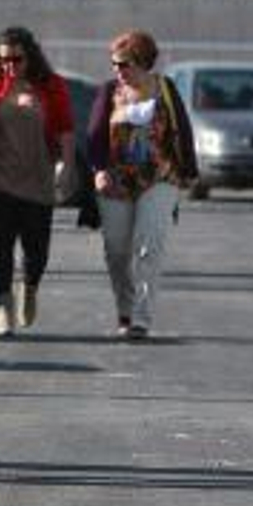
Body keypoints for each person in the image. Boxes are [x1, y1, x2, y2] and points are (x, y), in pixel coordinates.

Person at [87, 29, 198, 341]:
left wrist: (188, 171)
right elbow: (94, 136)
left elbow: (182, 130)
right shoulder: (109, 91)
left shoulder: (165, 89)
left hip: (159, 177)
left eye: (125, 65)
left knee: (149, 245)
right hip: (117, 179)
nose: (118, 71)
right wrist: (97, 170)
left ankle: (141, 317)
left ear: (143, 64)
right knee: (117, 250)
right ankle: (124, 308)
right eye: (114, 64)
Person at [0, 27, 76, 337]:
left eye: (16, 59)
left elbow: (66, 129)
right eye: (3, 60)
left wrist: (67, 167)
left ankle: (29, 288)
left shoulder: (50, 86)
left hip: (39, 177)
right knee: (1, 246)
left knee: (36, 250)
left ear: (30, 57)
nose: (10, 66)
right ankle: (3, 305)